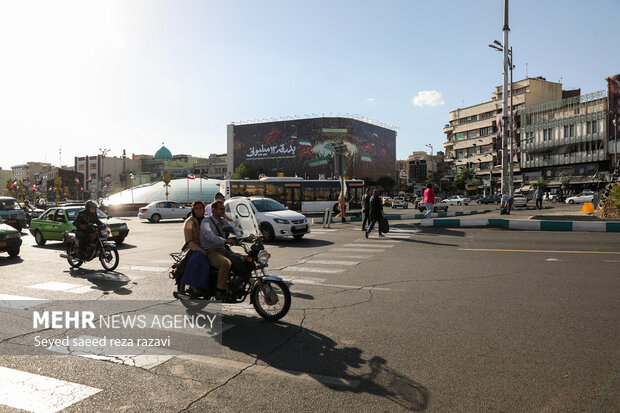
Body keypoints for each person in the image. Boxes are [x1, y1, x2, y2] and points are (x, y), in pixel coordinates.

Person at [200, 200, 236, 300]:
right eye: (221, 209)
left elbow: (234, 229)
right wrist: (225, 241)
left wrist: (251, 236)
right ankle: (220, 291)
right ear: (213, 210)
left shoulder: (223, 221)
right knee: (225, 263)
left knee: (241, 261)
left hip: (222, 249)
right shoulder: (206, 221)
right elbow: (209, 236)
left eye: (224, 209)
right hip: (210, 251)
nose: (223, 211)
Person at [181, 200, 211, 291]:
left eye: (201, 208)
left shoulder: (207, 220)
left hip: (208, 247)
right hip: (195, 249)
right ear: (193, 210)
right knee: (203, 263)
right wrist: (200, 249)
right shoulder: (189, 221)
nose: (199, 210)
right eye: (196, 208)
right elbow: (189, 241)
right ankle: (199, 287)